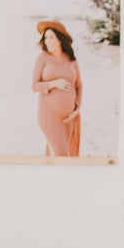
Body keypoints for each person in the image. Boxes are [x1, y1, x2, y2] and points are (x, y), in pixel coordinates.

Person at [32, 21, 82, 157]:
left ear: (60, 38)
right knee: (63, 156)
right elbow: (34, 86)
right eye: (45, 37)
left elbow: (79, 86)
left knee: (54, 154)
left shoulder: (71, 59)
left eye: (51, 37)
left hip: (69, 117)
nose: (47, 41)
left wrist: (77, 108)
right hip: (49, 116)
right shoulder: (43, 57)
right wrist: (54, 83)